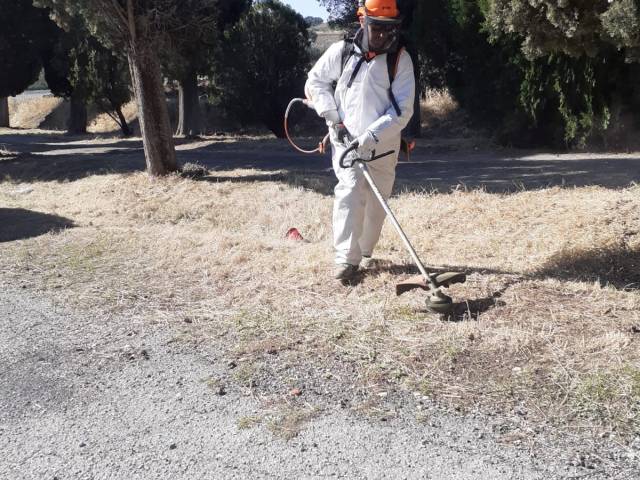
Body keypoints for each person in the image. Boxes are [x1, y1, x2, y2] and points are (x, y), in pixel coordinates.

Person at [305, 0, 416, 282]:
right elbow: (315, 82)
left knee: (377, 204)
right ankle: (346, 259)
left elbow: (402, 111)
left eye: (389, 29)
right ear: (362, 22)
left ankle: (365, 251)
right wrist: (333, 118)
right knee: (350, 193)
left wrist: (369, 137)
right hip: (345, 143)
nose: (382, 35)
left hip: (383, 146)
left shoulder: (399, 60)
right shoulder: (340, 52)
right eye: (376, 28)